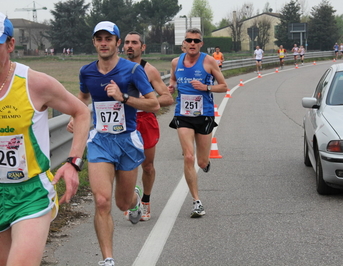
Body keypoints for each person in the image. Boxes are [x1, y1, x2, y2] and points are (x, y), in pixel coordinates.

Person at [0, 13, 91, 266]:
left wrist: (74, 163)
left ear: (10, 45)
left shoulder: (34, 83)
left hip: (29, 193)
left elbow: (81, 112)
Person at [69, 21, 160, 266]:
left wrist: (124, 97)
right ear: (94, 43)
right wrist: (75, 116)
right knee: (101, 201)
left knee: (122, 202)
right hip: (100, 141)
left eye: (108, 38)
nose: (104, 43)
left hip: (127, 141)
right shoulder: (86, 71)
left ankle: (135, 200)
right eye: (99, 39)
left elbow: (154, 104)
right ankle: (108, 259)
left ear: (117, 43)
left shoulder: (132, 71)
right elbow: (83, 96)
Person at [168, 28, 228, 218]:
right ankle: (196, 202)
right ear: (184, 43)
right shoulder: (176, 62)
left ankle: (206, 161)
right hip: (183, 114)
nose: (192, 43)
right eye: (189, 40)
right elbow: (173, 80)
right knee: (188, 157)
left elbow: (224, 86)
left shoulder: (208, 61)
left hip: (204, 114)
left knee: (201, 162)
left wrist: (206, 87)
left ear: (201, 43)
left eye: (196, 40)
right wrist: (171, 87)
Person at [123, 31, 173, 221]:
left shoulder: (149, 70)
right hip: (125, 122)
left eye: (134, 42)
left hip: (145, 121)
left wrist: (145, 100)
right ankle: (131, 197)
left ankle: (145, 200)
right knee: (126, 166)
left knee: (148, 166)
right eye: (127, 42)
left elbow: (167, 97)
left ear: (142, 47)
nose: (130, 46)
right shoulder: (117, 68)